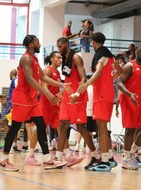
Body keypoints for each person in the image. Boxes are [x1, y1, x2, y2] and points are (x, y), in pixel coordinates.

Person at [0, 35, 70, 171]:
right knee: (15, 128)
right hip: (22, 99)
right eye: (37, 42)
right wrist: (47, 93)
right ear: (31, 45)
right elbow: (30, 79)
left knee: (41, 126)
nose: (39, 44)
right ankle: (3, 160)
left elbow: (42, 77)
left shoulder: (35, 59)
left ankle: (48, 159)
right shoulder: (25, 58)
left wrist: (62, 84)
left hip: (32, 101)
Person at [77, 32, 122, 171]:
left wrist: (86, 84)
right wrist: (110, 80)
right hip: (108, 94)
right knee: (104, 128)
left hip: (101, 95)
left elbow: (99, 72)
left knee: (101, 128)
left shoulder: (100, 55)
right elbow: (120, 70)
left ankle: (104, 161)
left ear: (93, 42)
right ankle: (109, 158)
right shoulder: (110, 55)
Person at [56, 37, 98, 168]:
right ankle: (58, 158)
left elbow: (84, 77)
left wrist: (77, 92)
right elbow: (69, 78)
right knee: (62, 125)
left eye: (60, 46)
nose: (59, 49)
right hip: (67, 97)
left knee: (81, 128)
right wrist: (63, 92)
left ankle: (96, 155)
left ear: (66, 45)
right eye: (57, 47)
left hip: (77, 97)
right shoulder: (65, 59)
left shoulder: (76, 58)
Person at [117, 45, 141, 170]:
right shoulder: (129, 66)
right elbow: (119, 82)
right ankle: (126, 159)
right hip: (129, 100)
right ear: (138, 53)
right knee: (130, 129)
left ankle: (132, 152)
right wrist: (129, 93)